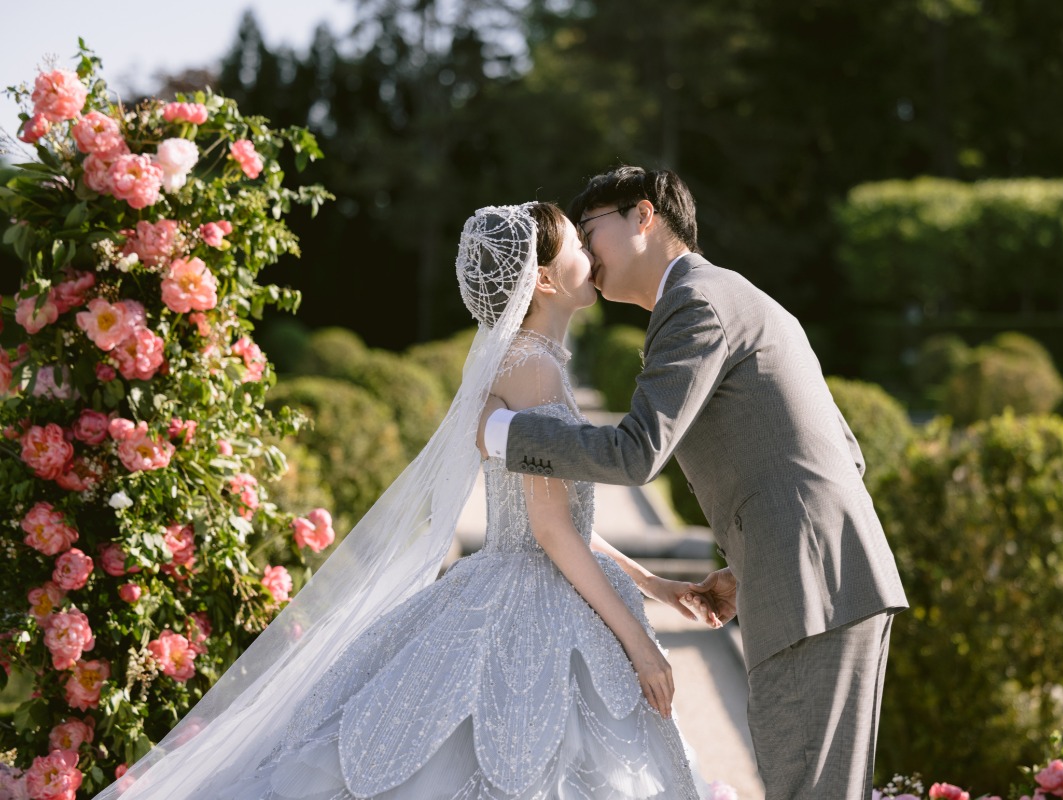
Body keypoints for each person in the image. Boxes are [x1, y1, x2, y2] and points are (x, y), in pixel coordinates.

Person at [97, 203, 715, 800]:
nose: (591, 251)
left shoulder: (527, 362)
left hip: (521, 573)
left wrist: (658, 587)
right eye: (579, 245)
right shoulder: (536, 372)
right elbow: (553, 534)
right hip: (535, 586)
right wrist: (637, 641)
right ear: (546, 279)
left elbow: (560, 524)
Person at [479, 168, 909, 800]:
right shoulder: (729, 293)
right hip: (819, 579)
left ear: (642, 216)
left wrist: (502, 435)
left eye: (589, 228)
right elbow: (841, 451)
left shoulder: (693, 302)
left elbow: (635, 455)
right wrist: (753, 563)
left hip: (810, 589)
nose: (585, 250)